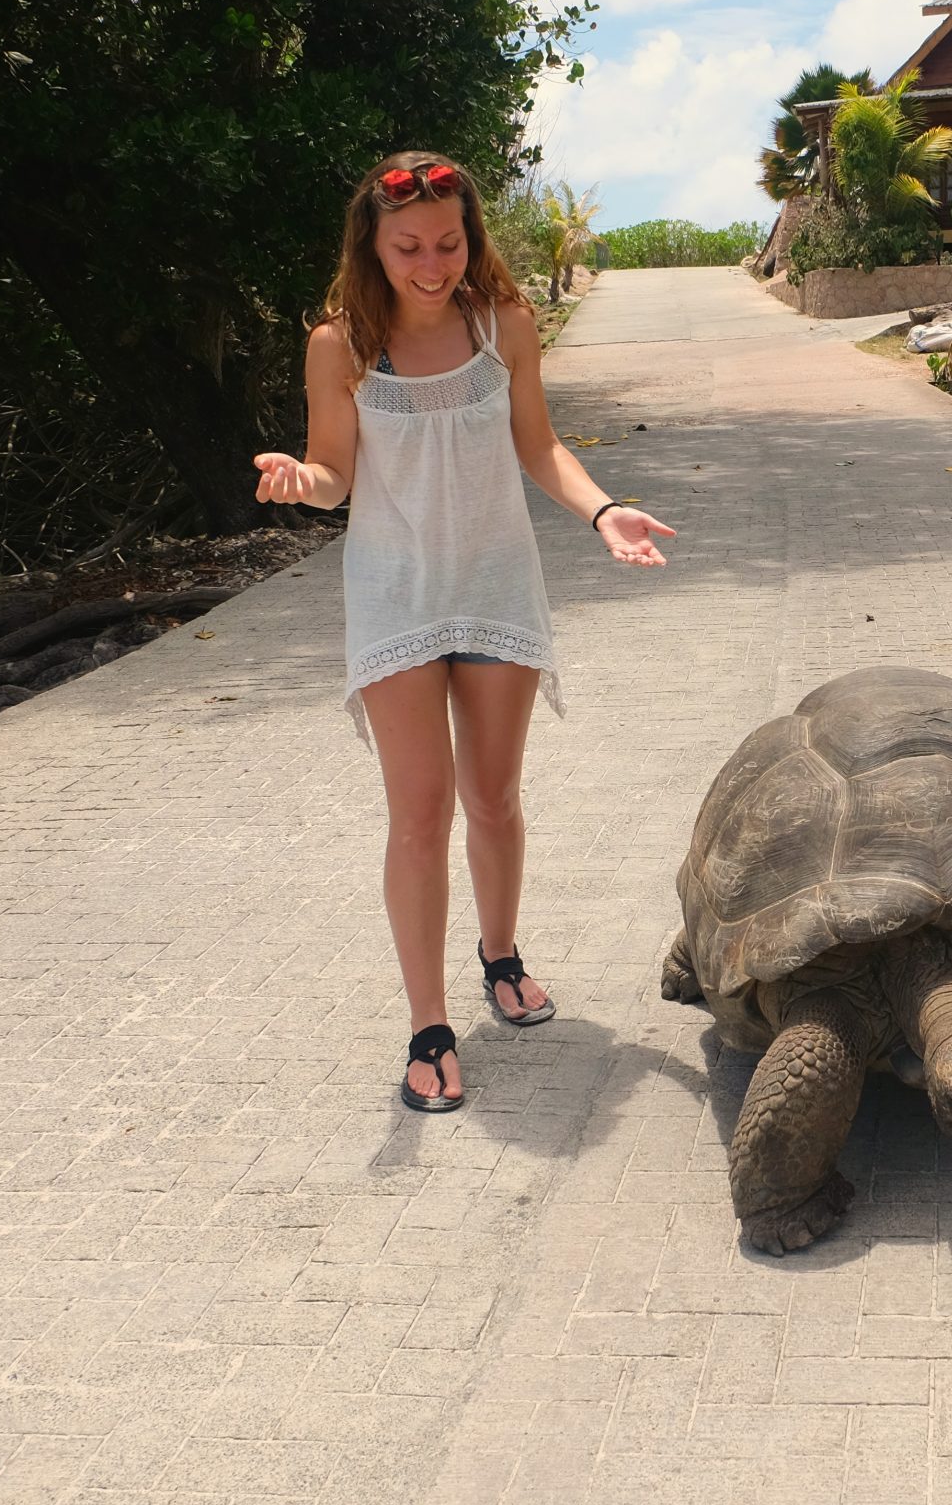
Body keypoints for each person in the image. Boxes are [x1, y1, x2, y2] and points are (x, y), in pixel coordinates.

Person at [252, 151, 673, 1114]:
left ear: (471, 237)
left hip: (496, 588)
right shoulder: (340, 344)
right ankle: (429, 1024)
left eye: (449, 242)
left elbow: (540, 445)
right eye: (409, 247)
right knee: (419, 814)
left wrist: (606, 513)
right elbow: (335, 474)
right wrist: (297, 483)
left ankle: (502, 952)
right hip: (396, 596)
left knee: (493, 798)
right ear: (373, 244)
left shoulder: (506, 327)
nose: (432, 263)